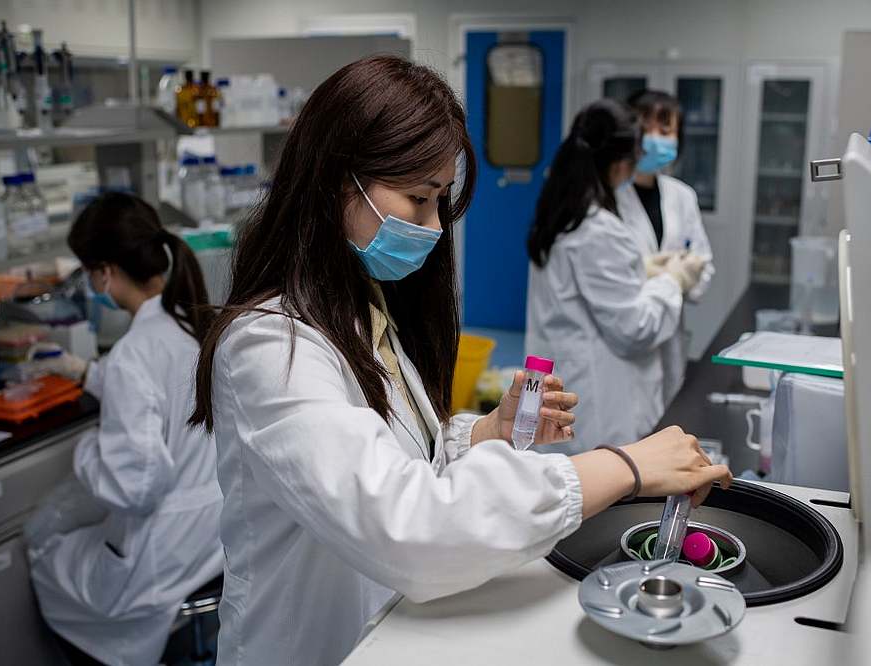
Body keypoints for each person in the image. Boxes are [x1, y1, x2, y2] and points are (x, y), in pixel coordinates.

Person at [187, 55, 731, 666]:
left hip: (390, 632)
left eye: (440, 200)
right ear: (338, 181)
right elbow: (405, 524)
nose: (434, 226)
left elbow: (389, 449)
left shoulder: (363, 309)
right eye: (419, 198)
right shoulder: (270, 348)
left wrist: (480, 433)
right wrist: (620, 466)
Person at [27, 193, 224, 666]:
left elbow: (134, 486)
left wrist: (86, 450)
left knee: (47, 557)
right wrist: (86, 371)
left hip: (166, 555)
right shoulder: (193, 324)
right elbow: (164, 391)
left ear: (104, 273)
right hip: (217, 537)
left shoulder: (133, 353)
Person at [525, 100, 705, 454]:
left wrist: (644, 270)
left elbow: (586, 284)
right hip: (600, 402)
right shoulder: (599, 230)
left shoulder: (563, 212)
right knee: (606, 495)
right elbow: (635, 329)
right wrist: (672, 280)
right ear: (621, 164)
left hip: (566, 375)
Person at [620, 89, 715, 405]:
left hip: (670, 334)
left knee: (667, 417)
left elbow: (704, 264)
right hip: (625, 337)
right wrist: (666, 274)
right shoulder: (609, 197)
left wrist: (683, 277)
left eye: (665, 130)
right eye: (645, 128)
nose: (654, 138)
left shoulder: (682, 196)